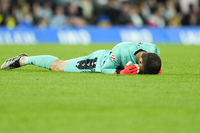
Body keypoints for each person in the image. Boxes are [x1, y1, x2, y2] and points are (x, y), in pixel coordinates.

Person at [1, 42, 162, 75]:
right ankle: (24, 59)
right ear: (140, 62)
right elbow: (105, 68)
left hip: (114, 61)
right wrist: (121, 73)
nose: (141, 73)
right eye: (142, 71)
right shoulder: (120, 51)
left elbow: (157, 63)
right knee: (58, 66)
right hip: (100, 60)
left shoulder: (153, 50)